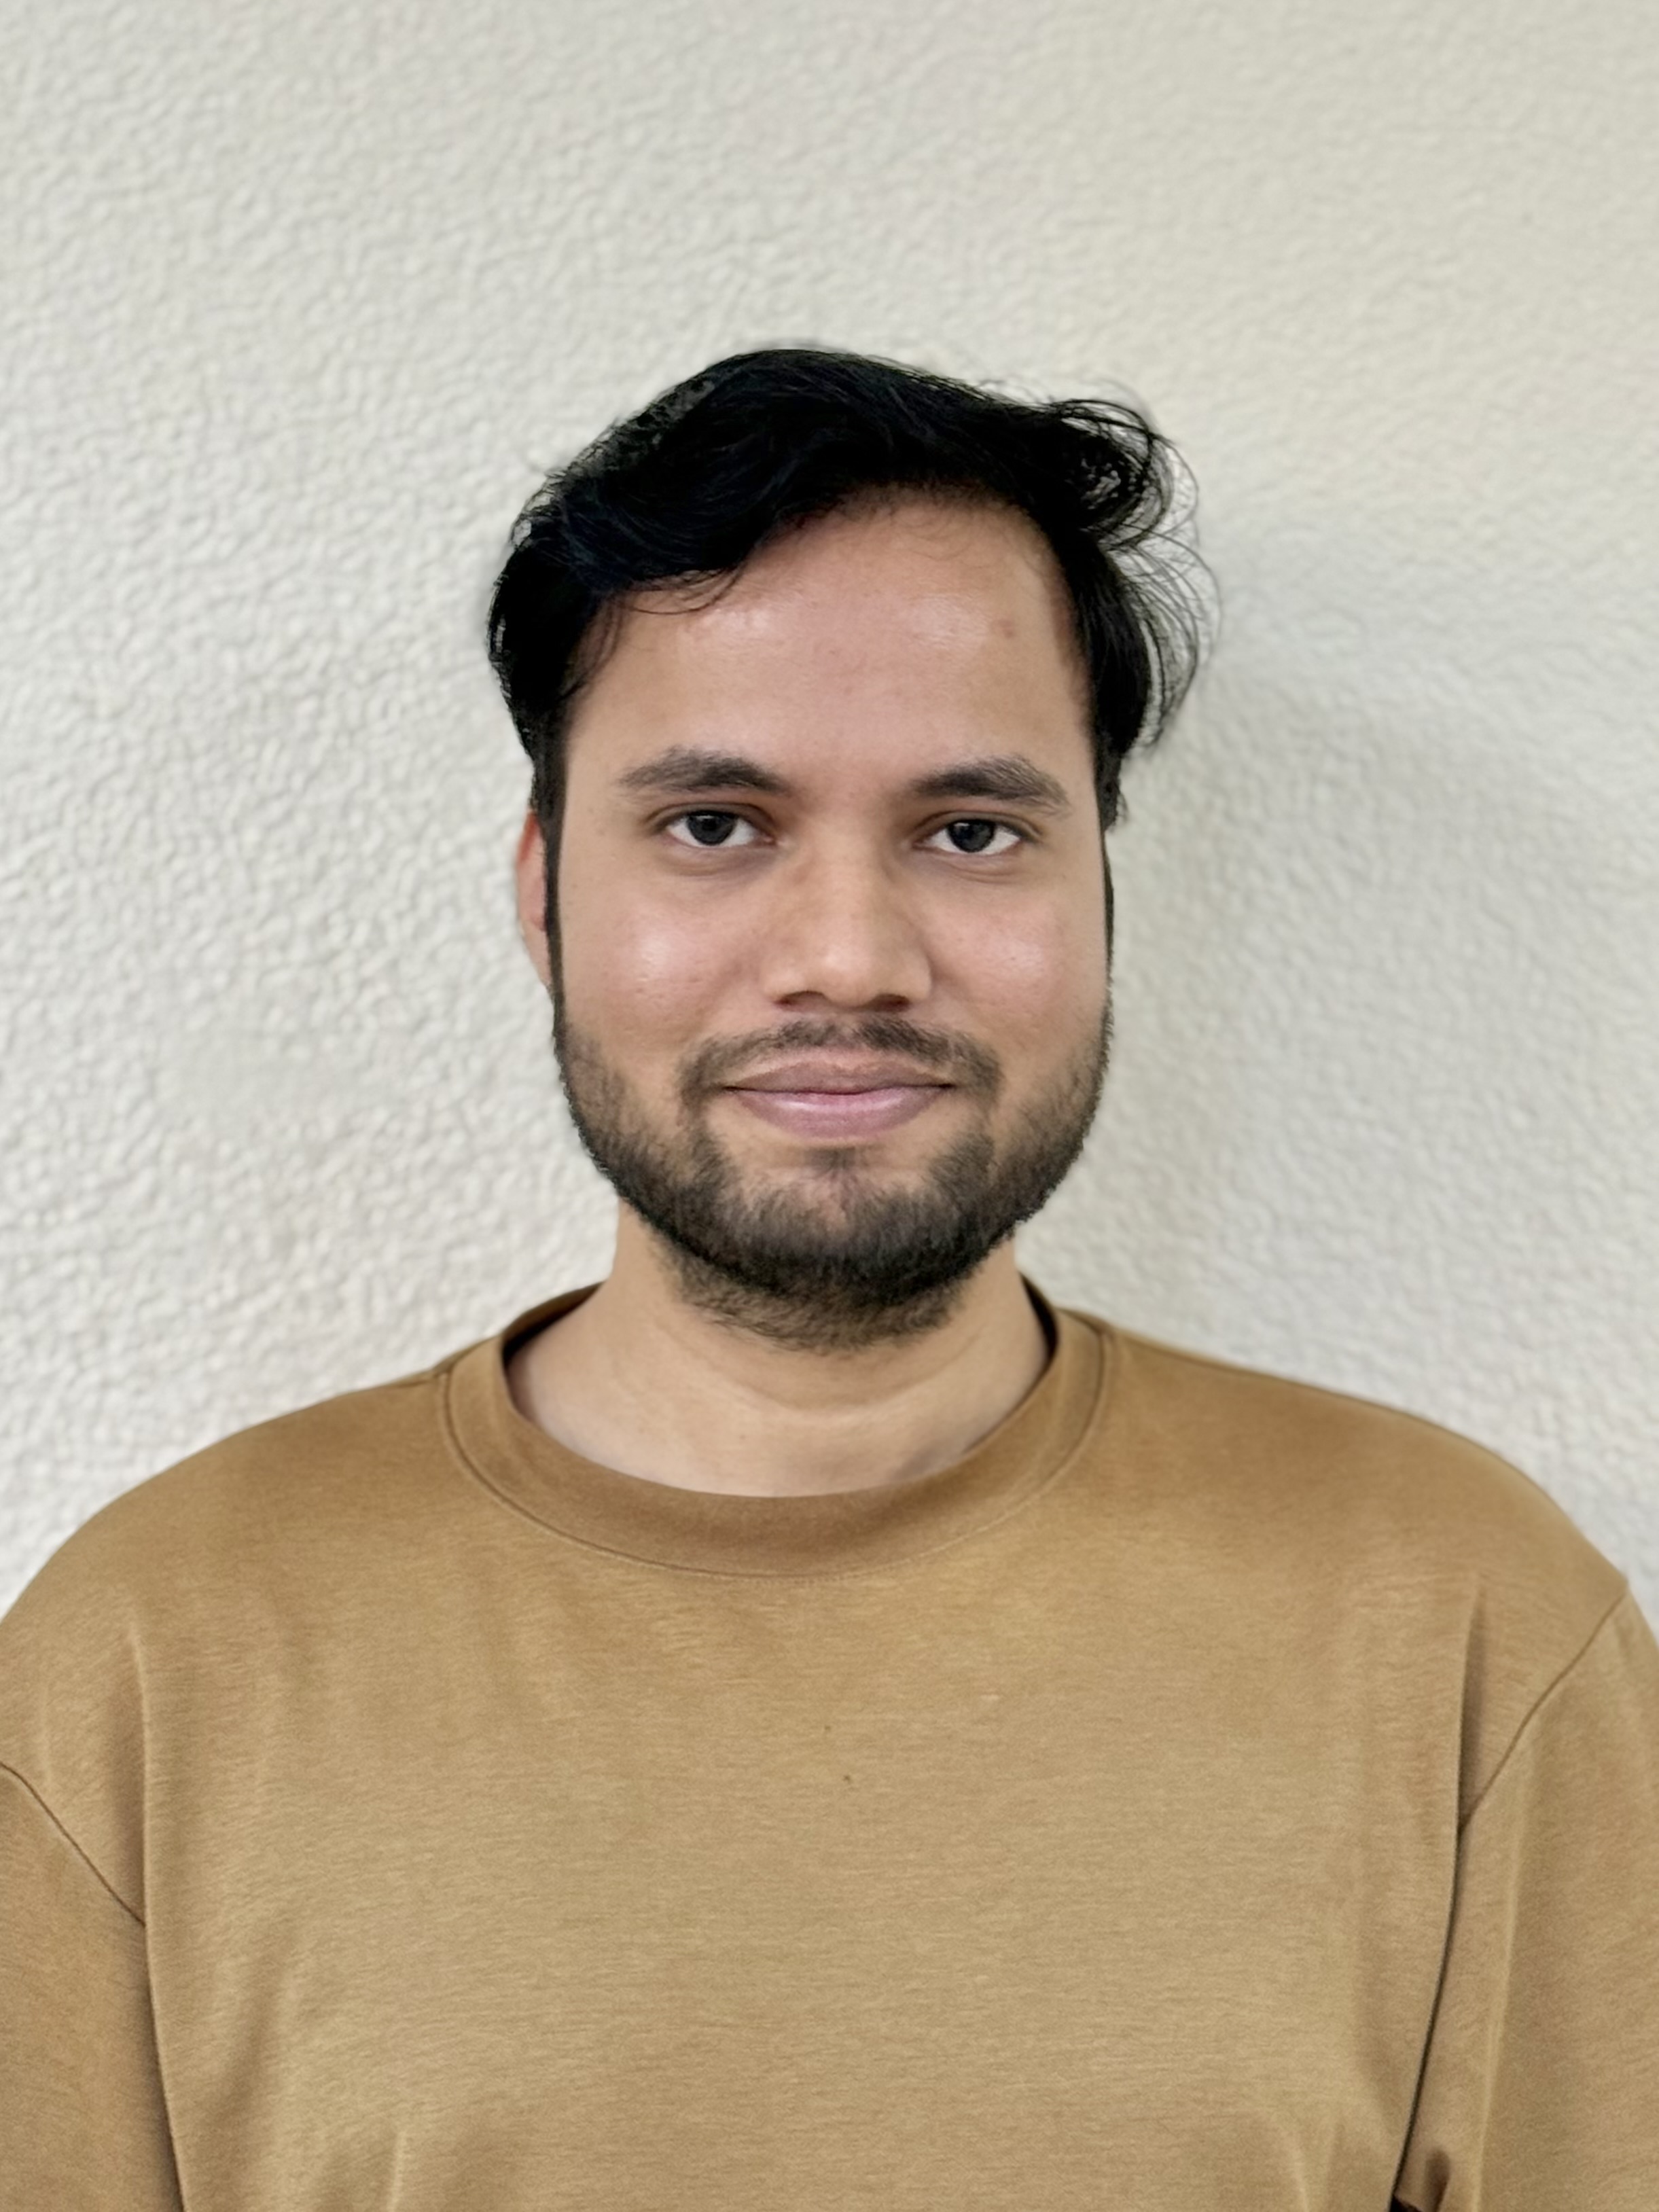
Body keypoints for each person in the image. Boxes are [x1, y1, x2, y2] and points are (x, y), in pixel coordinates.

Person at [2, 347, 1655, 2212]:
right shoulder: (146, 1666)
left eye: (971, 832)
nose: (851, 957)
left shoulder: (1466, 1628)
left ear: (1100, 893)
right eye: (715, 826)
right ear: (544, 894)